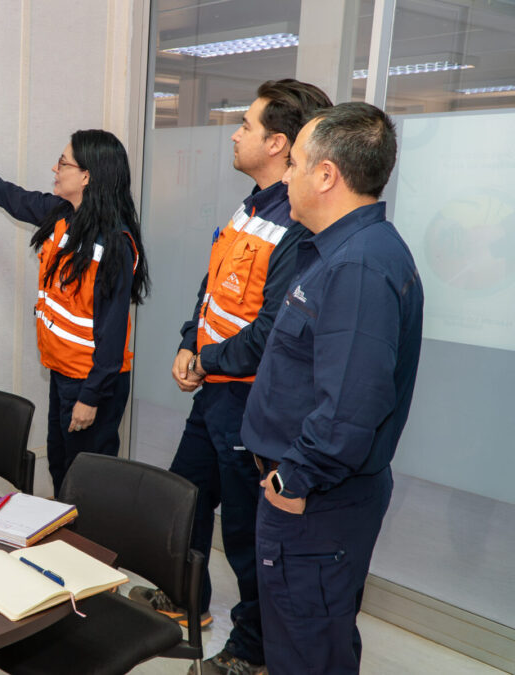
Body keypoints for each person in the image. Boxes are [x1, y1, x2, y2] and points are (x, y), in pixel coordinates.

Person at [130, 79, 332, 675]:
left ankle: (253, 653)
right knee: (184, 500)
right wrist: (189, 341)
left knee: (247, 535)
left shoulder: (297, 227)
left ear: (276, 143)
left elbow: (271, 333)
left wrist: (207, 360)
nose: (236, 134)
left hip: (250, 405)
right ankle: (185, 600)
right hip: (214, 391)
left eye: (245, 125)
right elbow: (213, 283)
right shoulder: (252, 202)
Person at [242, 103, 424, 674]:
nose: (287, 176)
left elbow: (351, 405)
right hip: (309, 495)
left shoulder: (359, 266)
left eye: (294, 163)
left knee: (306, 652)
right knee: (314, 641)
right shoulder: (334, 251)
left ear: (327, 176)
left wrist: (294, 480)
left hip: (314, 501)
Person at [0, 131, 150, 496]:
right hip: (64, 371)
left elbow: (112, 336)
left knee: (87, 481)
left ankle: (89, 549)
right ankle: (64, 540)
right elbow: (12, 196)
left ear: (88, 176)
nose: (54, 168)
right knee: (62, 466)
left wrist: (90, 398)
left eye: (63, 163)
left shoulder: (114, 244)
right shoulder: (63, 215)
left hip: (93, 382)